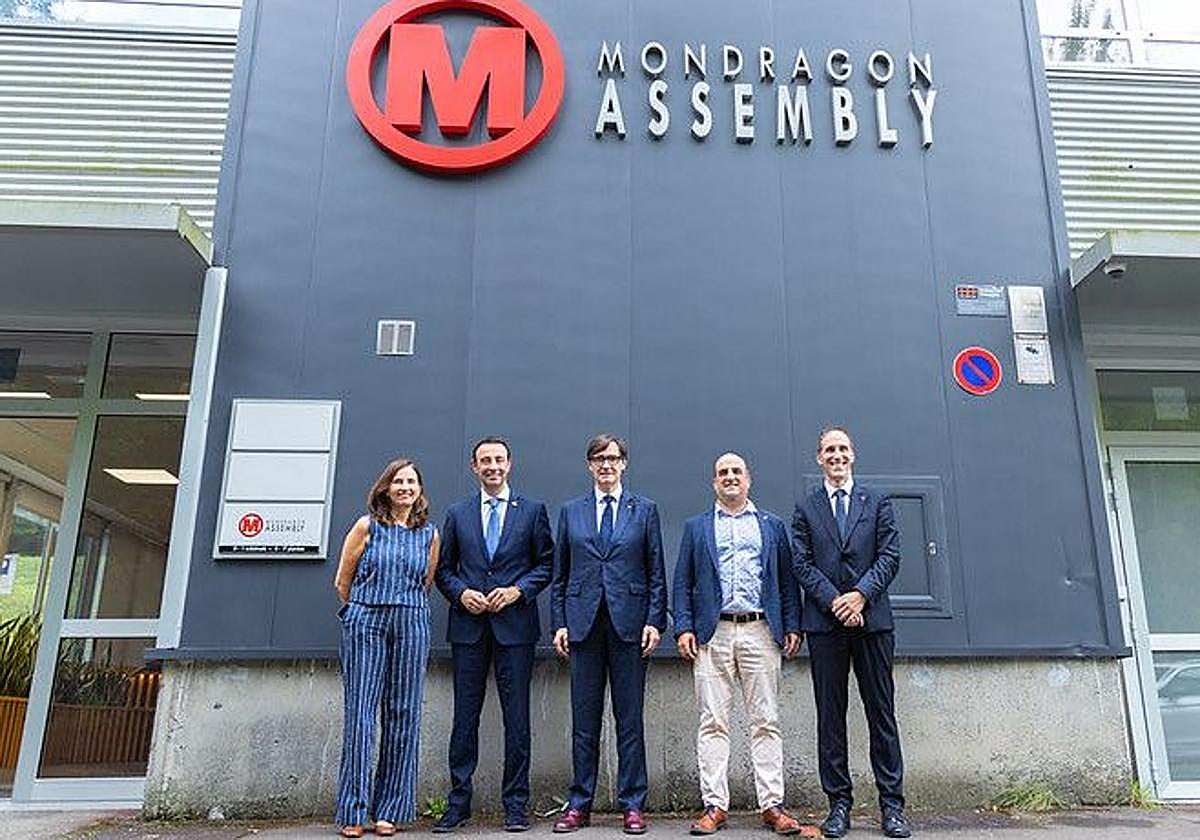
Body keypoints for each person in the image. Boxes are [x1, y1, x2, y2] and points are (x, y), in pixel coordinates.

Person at [673, 452, 811, 837]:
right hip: (712, 633)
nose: (730, 477)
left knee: (765, 720)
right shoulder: (697, 527)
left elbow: (786, 581)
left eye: (736, 471)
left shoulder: (771, 526)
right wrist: (683, 627)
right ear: (714, 482)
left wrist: (792, 625)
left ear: (748, 480)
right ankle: (714, 806)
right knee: (712, 721)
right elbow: (682, 582)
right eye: (723, 472)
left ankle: (772, 805)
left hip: (760, 631)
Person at [791, 427, 912, 839]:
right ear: (819, 458)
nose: (837, 455)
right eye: (829, 449)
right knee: (831, 717)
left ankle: (892, 806)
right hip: (825, 627)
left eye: (843, 448)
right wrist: (836, 602)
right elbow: (802, 564)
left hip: (873, 623)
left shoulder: (877, 502)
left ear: (853, 455)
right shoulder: (806, 508)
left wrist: (860, 596)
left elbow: (890, 556)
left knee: (882, 714)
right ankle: (838, 805)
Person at [433, 436, 555, 832]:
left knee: (516, 720)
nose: (493, 466)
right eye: (485, 460)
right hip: (468, 630)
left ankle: (516, 805)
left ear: (509, 464)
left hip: (515, 629)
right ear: (475, 467)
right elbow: (443, 569)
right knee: (464, 719)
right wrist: (460, 593)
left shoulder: (532, 511)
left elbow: (546, 564)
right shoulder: (458, 513)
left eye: (499, 459)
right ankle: (458, 803)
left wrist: (518, 590)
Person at [550, 433, 668, 835]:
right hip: (583, 627)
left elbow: (655, 571)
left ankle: (632, 804)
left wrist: (654, 621)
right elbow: (561, 574)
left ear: (623, 464)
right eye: (599, 459)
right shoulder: (572, 511)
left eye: (613, 458)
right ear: (589, 465)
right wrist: (560, 622)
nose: (606, 465)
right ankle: (579, 804)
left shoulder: (644, 509)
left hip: (630, 627)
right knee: (584, 722)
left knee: (629, 720)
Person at [333, 457, 439, 839]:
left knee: (404, 713)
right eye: (398, 482)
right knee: (360, 713)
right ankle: (353, 810)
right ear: (385, 488)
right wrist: (363, 610)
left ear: (419, 490)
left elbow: (426, 582)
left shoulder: (429, 534)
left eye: (411, 482)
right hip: (366, 621)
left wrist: (402, 607)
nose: (405, 488)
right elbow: (342, 581)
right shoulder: (366, 526)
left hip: (411, 622)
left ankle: (389, 810)